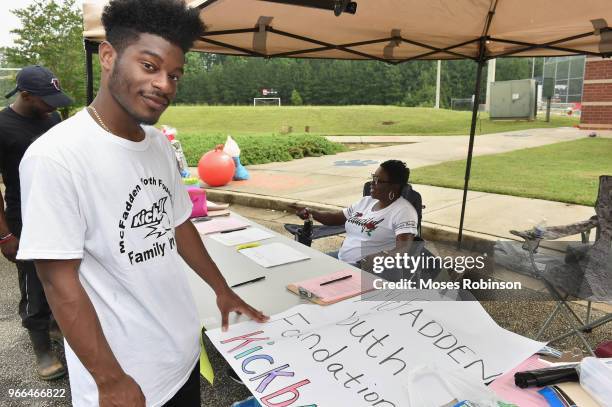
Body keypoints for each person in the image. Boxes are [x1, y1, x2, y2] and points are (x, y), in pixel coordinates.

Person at [16, 1, 268, 405]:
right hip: (125, 380)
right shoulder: (56, 157)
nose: (165, 85)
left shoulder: (156, 143)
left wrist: (222, 289)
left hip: (181, 357)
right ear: (109, 56)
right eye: (150, 66)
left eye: (175, 74)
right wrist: (109, 380)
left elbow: (179, 224)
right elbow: (57, 281)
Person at [0, 65, 73, 380]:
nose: (53, 106)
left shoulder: (53, 118)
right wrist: (4, 236)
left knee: (64, 274)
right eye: (47, 100)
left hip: (58, 209)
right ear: (25, 95)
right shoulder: (1, 126)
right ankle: (42, 347)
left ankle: (58, 326)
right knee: (34, 283)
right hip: (23, 216)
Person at [294, 160, 418, 265]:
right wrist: (311, 212)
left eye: (378, 180)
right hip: (341, 259)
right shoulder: (366, 202)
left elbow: (403, 249)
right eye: (373, 178)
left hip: (365, 269)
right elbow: (336, 218)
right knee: (303, 266)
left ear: (394, 186)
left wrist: (381, 258)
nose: (372, 183)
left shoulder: (404, 212)